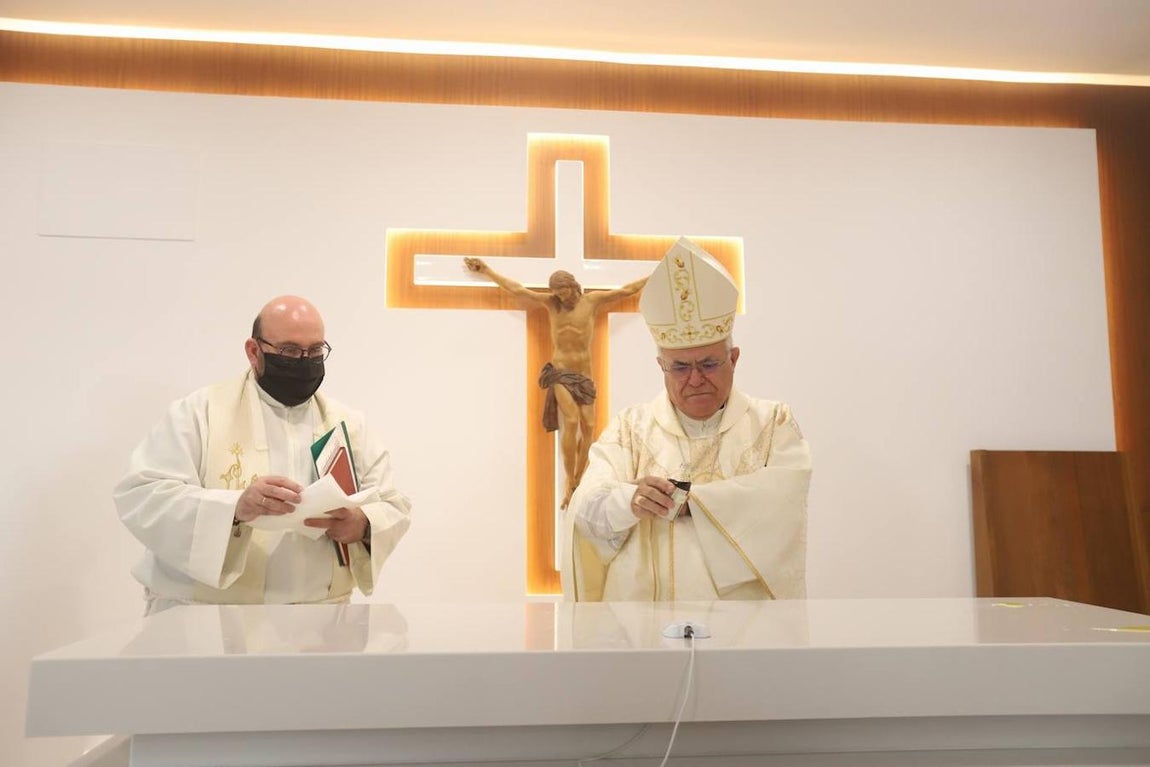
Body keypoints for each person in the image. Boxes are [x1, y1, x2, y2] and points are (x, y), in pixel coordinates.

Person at [114, 295, 412, 614]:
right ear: (254, 351)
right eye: (289, 351)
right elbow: (143, 495)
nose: (304, 361)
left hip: (319, 621)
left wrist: (361, 523)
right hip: (208, 618)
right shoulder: (199, 413)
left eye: (315, 351)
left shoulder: (348, 425)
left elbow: (392, 504)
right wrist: (234, 508)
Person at [561, 238, 811, 602]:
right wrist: (630, 499)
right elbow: (587, 509)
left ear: (734, 358)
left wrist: (697, 503)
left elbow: (783, 502)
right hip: (645, 629)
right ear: (661, 367)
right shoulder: (631, 429)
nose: (695, 379)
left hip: (744, 628)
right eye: (680, 367)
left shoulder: (772, 422)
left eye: (709, 363)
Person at [464, 257, 647, 508]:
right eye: (557, 295)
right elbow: (517, 289)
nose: (562, 299)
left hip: (584, 375)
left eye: (565, 293)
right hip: (560, 372)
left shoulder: (591, 302)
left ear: (573, 287)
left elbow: (627, 290)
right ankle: (570, 480)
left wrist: (655, 277)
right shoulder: (552, 304)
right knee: (571, 420)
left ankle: (577, 481)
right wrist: (486, 271)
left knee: (590, 426)